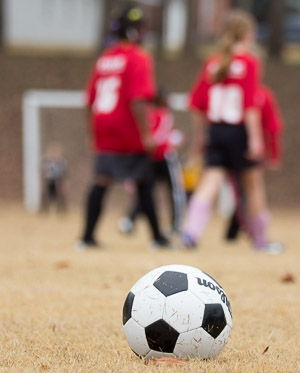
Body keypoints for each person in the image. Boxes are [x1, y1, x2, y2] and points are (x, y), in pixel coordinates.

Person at [182, 9, 282, 253]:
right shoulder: (249, 62)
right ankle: (261, 241)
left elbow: (196, 104)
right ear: (248, 34)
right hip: (240, 132)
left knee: (210, 182)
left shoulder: (212, 63)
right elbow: (250, 105)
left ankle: (190, 233)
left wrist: (202, 136)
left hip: (216, 130)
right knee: (253, 185)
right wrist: (256, 139)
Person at [77, 5, 169, 249]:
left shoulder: (106, 57)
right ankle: (158, 237)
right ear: (135, 31)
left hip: (103, 123)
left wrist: (92, 132)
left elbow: (89, 100)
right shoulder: (138, 57)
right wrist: (147, 134)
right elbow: (138, 99)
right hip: (127, 124)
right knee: (143, 179)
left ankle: (86, 237)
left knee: (102, 179)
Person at [118, 87, 186, 236]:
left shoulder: (149, 114)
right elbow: (160, 135)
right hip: (163, 157)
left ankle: (130, 221)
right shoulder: (163, 114)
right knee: (173, 191)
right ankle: (175, 227)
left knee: (147, 192)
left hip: (150, 157)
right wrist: (169, 140)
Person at [225, 83, 284, 241]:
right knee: (251, 191)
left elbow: (271, 126)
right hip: (249, 150)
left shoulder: (233, 92)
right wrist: (273, 154)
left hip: (232, 148)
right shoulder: (259, 95)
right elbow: (272, 126)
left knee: (242, 193)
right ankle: (257, 235)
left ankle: (251, 232)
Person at [41, 142, 68, 213]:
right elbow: (43, 170)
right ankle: (44, 210)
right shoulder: (45, 160)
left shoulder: (62, 161)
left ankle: (61, 210)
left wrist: (62, 182)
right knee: (45, 194)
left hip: (58, 180)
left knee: (60, 195)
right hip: (48, 179)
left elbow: (64, 172)